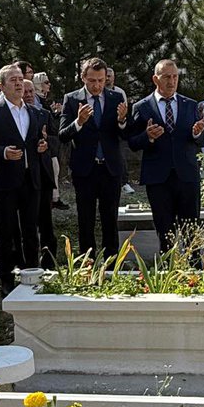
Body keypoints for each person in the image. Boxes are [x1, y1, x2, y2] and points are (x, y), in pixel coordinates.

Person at [0, 63, 48, 296]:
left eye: (20, 79)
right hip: (6, 182)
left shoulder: (35, 113)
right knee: (6, 232)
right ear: (1, 86)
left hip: (31, 180)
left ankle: (32, 273)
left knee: (31, 230)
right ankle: (6, 278)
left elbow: (38, 142)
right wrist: (3, 152)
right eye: (13, 80)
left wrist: (42, 146)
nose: (19, 83)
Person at [127, 58, 204, 252]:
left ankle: (194, 272)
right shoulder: (142, 107)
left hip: (187, 175)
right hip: (158, 178)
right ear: (156, 79)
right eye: (166, 77)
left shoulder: (190, 105)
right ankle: (168, 270)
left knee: (191, 229)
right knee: (165, 230)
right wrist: (148, 137)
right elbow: (132, 142)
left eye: (175, 77)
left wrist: (197, 132)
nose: (171, 82)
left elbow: (202, 139)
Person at [59, 57, 128, 259]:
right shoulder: (71, 99)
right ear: (83, 78)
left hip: (110, 169)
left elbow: (125, 135)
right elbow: (63, 134)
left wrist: (122, 121)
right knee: (85, 220)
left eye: (101, 80)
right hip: (85, 170)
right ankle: (87, 264)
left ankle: (112, 265)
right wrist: (79, 122)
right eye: (92, 80)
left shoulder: (116, 98)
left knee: (110, 219)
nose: (97, 85)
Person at [24, 78, 58, 264]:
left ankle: (49, 260)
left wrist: (46, 142)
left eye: (31, 92)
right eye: (25, 92)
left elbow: (56, 139)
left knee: (46, 221)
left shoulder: (43, 114)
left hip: (43, 176)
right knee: (27, 224)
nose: (28, 95)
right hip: (24, 175)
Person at [32, 71, 66, 209]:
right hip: (41, 145)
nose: (49, 85)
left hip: (50, 142)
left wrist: (55, 114)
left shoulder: (43, 99)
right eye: (45, 82)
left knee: (54, 169)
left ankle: (54, 198)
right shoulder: (35, 99)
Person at [106, 67, 134, 194]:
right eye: (105, 75)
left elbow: (124, 110)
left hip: (118, 128)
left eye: (110, 76)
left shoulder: (119, 92)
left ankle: (124, 182)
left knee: (121, 157)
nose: (107, 78)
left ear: (114, 77)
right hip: (104, 129)